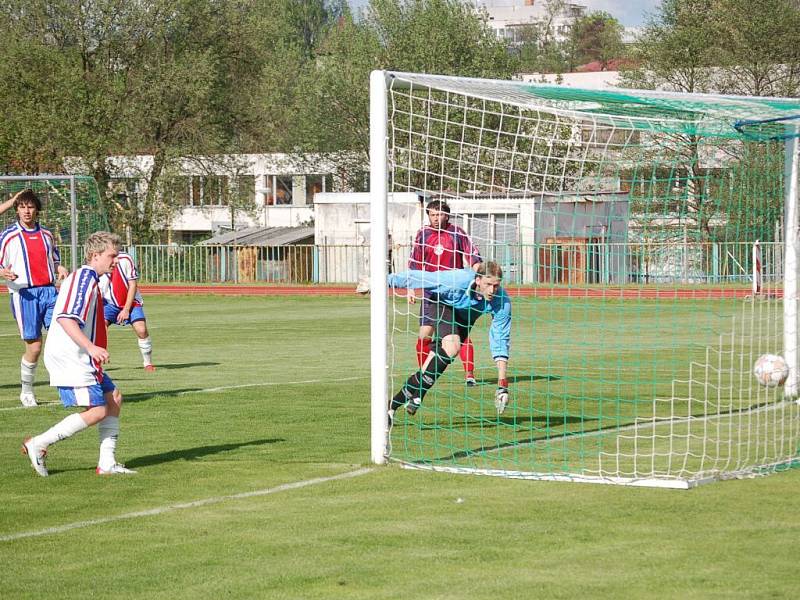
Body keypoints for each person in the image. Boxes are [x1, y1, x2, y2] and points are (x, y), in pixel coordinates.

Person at [21, 231, 136, 477]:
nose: (116, 260)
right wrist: (90, 346)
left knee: (113, 398)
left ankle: (107, 463)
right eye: (112, 255)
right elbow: (65, 318)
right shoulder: (84, 278)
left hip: (81, 356)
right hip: (71, 356)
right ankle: (39, 443)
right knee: (98, 410)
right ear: (95, 255)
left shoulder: (91, 278)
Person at [387, 261, 511, 422]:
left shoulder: (502, 301)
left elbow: (500, 339)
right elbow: (421, 277)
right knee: (453, 347)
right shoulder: (457, 279)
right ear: (478, 280)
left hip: (464, 321)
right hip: (441, 303)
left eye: (496, 285)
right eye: (488, 284)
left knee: (429, 368)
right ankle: (419, 396)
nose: (492, 290)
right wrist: (383, 280)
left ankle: (391, 407)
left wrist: (502, 385)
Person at [0, 189, 69, 407]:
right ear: (17, 210)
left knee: (63, 337)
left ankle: (67, 387)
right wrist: (3, 272)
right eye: (22, 207)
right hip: (24, 294)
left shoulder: (47, 235)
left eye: (30, 207)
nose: (26, 211)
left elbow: (54, 258)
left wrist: (60, 267)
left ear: (37, 210)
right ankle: (27, 391)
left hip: (49, 292)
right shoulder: (8, 236)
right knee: (35, 347)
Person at [409, 200, 483, 386]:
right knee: (424, 334)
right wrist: (411, 287)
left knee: (459, 333)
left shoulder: (457, 233)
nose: (436, 218)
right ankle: (426, 374)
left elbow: (472, 256)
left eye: (439, 214)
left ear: (447, 215)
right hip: (431, 291)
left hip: (455, 292)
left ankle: (469, 375)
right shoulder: (422, 234)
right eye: (432, 215)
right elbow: (414, 262)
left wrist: (480, 277)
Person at [99, 249, 155, 371]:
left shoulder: (125, 259)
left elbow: (133, 285)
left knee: (141, 330)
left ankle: (148, 363)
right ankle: (97, 365)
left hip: (131, 302)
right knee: (100, 330)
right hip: (109, 303)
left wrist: (126, 309)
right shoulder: (98, 260)